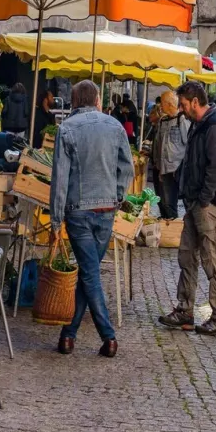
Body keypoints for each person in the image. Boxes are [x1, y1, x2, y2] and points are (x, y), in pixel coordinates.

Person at [51, 79, 134, 358]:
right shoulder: (115, 126)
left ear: (73, 102)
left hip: (77, 210)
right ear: (97, 99)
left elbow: (60, 180)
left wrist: (54, 220)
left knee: (89, 273)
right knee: (90, 273)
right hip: (106, 210)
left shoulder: (66, 129)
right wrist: (118, 195)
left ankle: (108, 337)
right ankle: (68, 334)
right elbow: (127, 167)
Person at [159, 81, 216, 336]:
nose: (180, 109)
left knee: (211, 258)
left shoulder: (214, 126)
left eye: (182, 104)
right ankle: (185, 310)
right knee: (187, 256)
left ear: (194, 101)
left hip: (207, 204)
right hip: (194, 202)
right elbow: (192, 161)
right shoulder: (199, 126)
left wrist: (204, 198)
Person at [148, 90, 187, 221]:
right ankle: (164, 227)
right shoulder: (162, 121)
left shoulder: (182, 120)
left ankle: (172, 230)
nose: (161, 106)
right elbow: (157, 143)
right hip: (160, 167)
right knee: (161, 200)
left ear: (169, 104)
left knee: (170, 202)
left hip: (173, 169)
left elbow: (188, 145)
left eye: (163, 103)